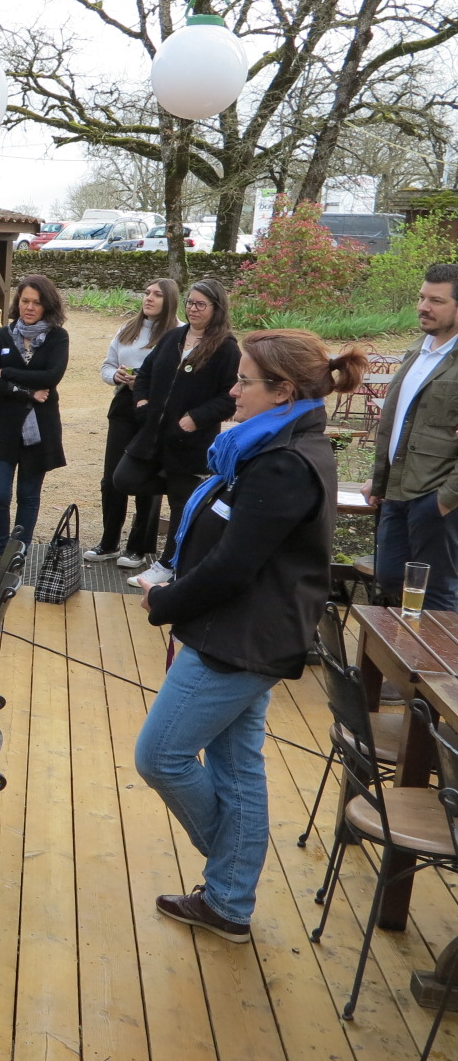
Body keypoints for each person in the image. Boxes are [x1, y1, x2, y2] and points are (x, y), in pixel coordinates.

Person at [136, 329, 365, 942]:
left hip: (240, 641)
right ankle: (230, 903)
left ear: (283, 390)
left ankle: (233, 870)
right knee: (237, 768)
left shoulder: (286, 463)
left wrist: (165, 601)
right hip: (240, 632)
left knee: (159, 756)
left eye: (244, 381)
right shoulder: (270, 444)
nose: (232, 390)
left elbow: (237, 564)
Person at [122, 279, 241, 589]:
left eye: (201, 304)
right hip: (153, 434)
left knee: (179, 505)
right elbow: (145, 372)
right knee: (124, 479)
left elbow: (230, 396)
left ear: (217, 309)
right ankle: (188, 492)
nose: (193, 308)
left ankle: (168, 565)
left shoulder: (226, 347)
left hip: (190, 439)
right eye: (190, 302)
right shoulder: (174, 337)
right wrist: (142, 401)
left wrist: (194, 419)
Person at [366, 263, 458, 610]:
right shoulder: (417, 350)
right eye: (421, 298)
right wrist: (379, 480)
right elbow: (399, 423)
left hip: (437, 498)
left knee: (436, 593)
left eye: (436, 300)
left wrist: (446, 499)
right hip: (397, 492)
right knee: (389, 577)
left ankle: (439, 664)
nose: (423, 307)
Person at [0, 273, 69, 575]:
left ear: (47, 305)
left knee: (28, 497)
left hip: (40, 430)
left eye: (36, 302)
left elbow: (52, 376)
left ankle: (16, 559)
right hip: (3, 427)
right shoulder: (4, 335)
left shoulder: (58, 337)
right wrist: (22, 390)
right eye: (25, 301)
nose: (29, 307)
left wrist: (9, 373)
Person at [87, 278, 179, 568]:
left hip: (155, 410)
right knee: (112, 476)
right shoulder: (128, 328)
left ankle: (139, 546)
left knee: (146, 477)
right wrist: (117, 377)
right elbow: (107, 365)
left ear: (170, 301)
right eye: (147, 292)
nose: (149, 298)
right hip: (124, 406)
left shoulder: (177, 333)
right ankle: (109, 542)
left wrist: (147, 383)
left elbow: (179, 377)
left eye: (157, 295)